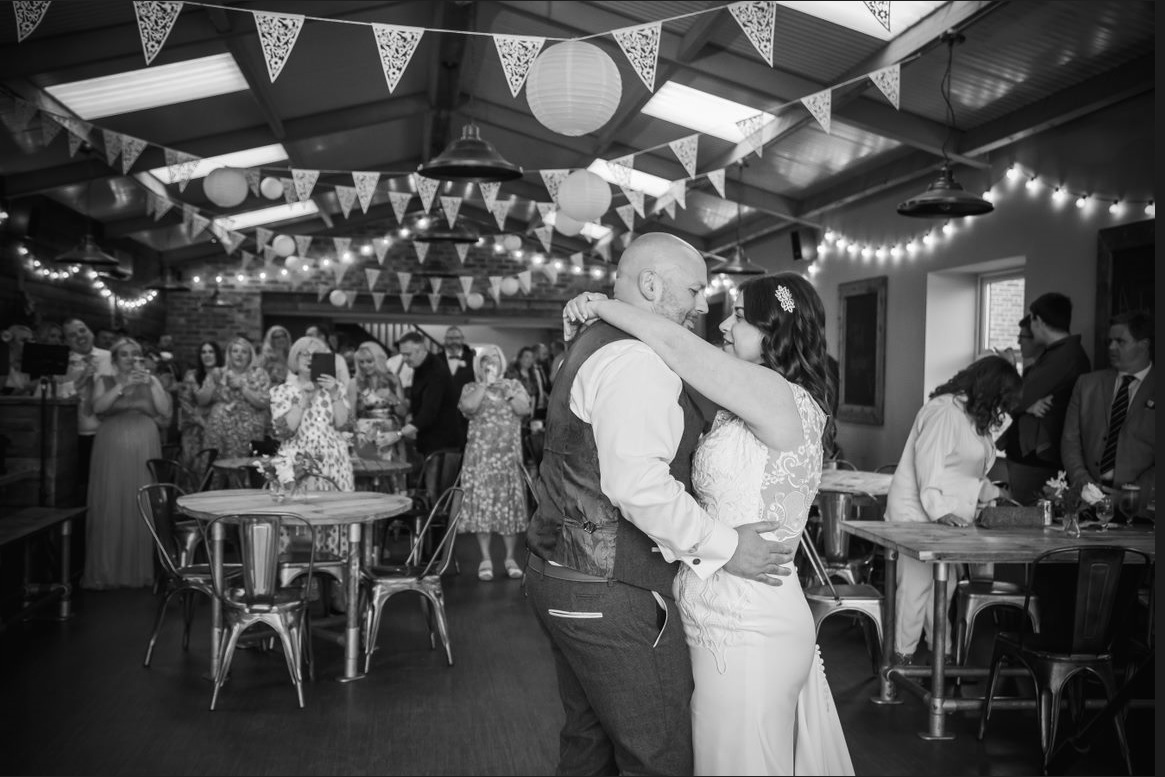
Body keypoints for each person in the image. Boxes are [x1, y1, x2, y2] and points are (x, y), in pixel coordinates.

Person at [526, 233, 837, 776]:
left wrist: (602, 306)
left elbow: (675, 345)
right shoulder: (659, 366)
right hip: (662, 592)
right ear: (652, 285)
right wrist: (606, 308)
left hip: (746, 611)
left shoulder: (772, 395)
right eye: (697, 291)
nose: (712, 316)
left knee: (649, 752)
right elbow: (641, 480)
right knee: (654, 754)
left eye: (737, 315)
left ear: (774, 333)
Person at [885, 355, 1021, 664]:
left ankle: (940, 655)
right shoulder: (945, 410)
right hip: (917, 515)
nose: (1003, 410)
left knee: (942, 590)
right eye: (1003, 400)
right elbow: (929, 462)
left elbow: (966, 473)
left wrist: (996, 494)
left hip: (948, 519)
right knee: (915, 589)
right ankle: (900, 662)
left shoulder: (974, 417)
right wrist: (940, 510)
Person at [82, 337, 172, 589]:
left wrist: (152, 383)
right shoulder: (104, 380)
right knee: (112, 499)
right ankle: (107, 569)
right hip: (111, 446)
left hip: (144, 443)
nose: (131, 358)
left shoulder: (151, 380)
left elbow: (164, 410)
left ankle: (140, 569)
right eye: (125, 354)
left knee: (140, 500)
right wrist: (122, 386)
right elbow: (98, 407)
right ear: (114, 360)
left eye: (135, 353)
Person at [996, 293, 1090, 504]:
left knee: (1027, 518)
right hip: (1029, 456)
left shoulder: (1065, 356)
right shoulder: (1056, 353)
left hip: (1038, 458)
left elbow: (1015, 397)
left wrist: (1009, 369)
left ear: (1037, 320)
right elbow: (1023, 398)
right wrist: (1027, 405)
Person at [270, 336, 355, 560]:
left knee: (334, 520)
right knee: (298, 523)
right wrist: (302, 400)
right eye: (304, 354)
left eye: (316, 355)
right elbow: (284, 431)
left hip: (334, 465)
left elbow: (344, 425)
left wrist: (335, 394)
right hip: (297, 465)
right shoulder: (282, 391)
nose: (309, 359)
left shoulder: (336, 389)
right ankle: (296, 575)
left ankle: (334, 573)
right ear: (295, 358)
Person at [455, 345, 531, 582]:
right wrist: (484, 385)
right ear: (479, 364)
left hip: (508, 457)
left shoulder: (514, 385)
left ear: (502, 362)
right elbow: (468, 407)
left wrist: (508, 393)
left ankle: (510, 558)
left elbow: (524, 409)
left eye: (495, 358)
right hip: (481, 458)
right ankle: (485, 558)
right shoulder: (470, 387)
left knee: (509, 508)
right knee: (483, 508)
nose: (490, 363)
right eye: (485, 359)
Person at [1061, 310, 1154, 497]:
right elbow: (1070, 441)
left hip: (1141, 503)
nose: (1111, 347)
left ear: (1143, 345)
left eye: (1120, 341)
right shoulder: (1087, 384)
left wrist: (1131, 496)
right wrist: (1085, 485)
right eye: (1109, 341)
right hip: (1087, 497)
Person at [60, 318, 114, 492]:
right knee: (82, 484)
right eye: (72, 335)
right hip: (77, 434)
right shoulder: (61, 362)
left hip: (109, 431)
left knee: (107, 482)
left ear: (90, 331)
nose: (80, 336)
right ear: (66, 341)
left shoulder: (111, 357)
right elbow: (49, 394)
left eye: (82, 330)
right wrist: (78, 383)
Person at [200, 337, 271, 465]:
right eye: (235, 351)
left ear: (250, 356)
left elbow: (264, 402)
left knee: (243, 469)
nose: (239, 355)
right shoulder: (218, 372)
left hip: (248, 432)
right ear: (229, 354)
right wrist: (213, 383)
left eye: (244, 352)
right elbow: (202, 401)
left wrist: (243, 387)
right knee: (216, 468)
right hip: (218, 431)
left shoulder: (259, 374)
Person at [397, 332, 465, 456]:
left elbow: (428, 413)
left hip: (443, 444)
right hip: (429, 440)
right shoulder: (420, 366)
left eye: (408, 354)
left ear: (420, 350)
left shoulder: (436, 371)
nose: (404, 359)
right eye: (403, 354)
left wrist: (398, 434)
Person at [347, 340, 406, 461]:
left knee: (392, 471)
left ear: (378, 360)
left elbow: (403, 412)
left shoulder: (393, 379)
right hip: (364, 436)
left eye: (369, 361)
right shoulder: (354, 383)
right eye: (361, 362)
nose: (365, 366)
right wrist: (357, 436)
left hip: (390, 435)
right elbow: (351, 416)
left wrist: (392, 397)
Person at [437, 326, 476, 443]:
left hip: (465, 415)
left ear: (462, 339)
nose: (453, 341)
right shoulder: (435, 360)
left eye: (457, 338)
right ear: (444, 340)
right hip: (440, 413)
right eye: (450, 338)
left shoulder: (473, 360)